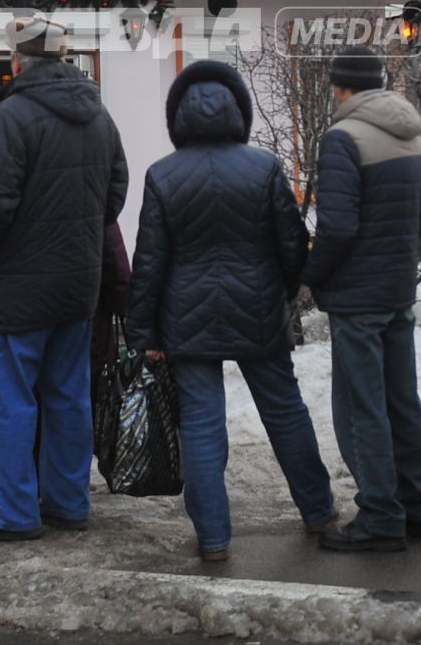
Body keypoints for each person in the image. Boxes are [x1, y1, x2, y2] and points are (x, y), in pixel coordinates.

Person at [127, 60, 336, 562]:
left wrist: (144, 330)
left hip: (186, 318)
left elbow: (150, 261)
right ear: (239, 112)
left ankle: (214, 538)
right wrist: (283, 293)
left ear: (177, 117)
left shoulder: (162, 175)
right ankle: (318, 511)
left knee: (200, 422)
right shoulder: (263, 167)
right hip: (258, 308)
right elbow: (291, 244)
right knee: (285, 411)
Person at [0, 13, 127, 541]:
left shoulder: (12, 118)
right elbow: (114, 195)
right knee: (68, 395)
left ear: (17, 62)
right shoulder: (99, 116)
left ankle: (13, 513)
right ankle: (68, 502)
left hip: (16, 286)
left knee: (10, 399)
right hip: (77, 282)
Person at [302, 45, 421, 554]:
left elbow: (336, 228)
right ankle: (418, 507)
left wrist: (311, 274)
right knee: (402, 400)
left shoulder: (342, 139)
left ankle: (381, 516)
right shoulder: (410, 134)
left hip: (357, 296)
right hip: (397, 289)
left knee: (363, 408)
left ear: (340, 88)